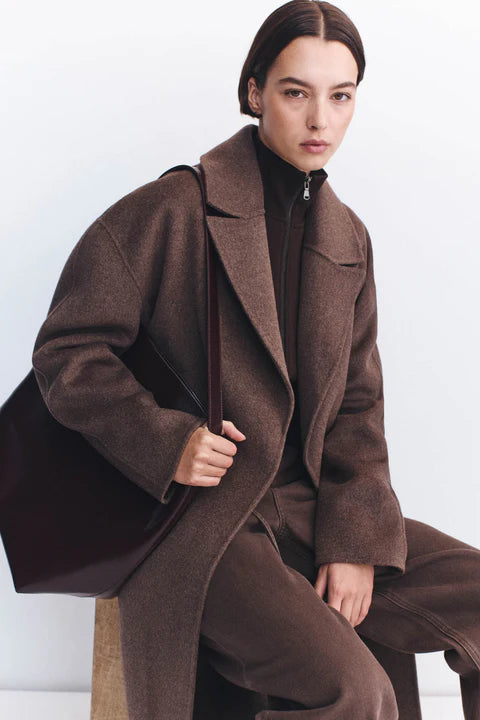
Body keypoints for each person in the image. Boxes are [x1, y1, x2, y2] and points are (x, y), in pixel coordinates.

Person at [31, 1, 480, 718]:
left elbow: (357, 407)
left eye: (341, 96)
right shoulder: (175, 209)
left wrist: (355, 539)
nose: (320, 120)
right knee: (355, 690)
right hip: (205, 522)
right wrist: (166, 441)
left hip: (309, 510)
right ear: (254, 92)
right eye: (296, 92)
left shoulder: (347, 239)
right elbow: (66, 351)